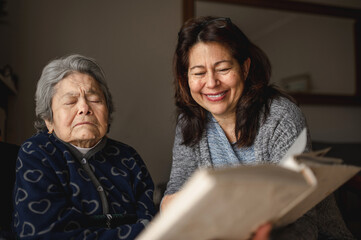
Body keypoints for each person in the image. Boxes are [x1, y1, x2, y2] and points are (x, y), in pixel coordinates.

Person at [161, 16, 355, 239]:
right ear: (185, 78)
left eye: (223, 68)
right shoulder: (189, 122)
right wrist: (173, 202)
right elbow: (176, 189)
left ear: (244, 68)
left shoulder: (280, 116)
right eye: (198, 73)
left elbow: (303, 218)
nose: (212, 83)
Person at [12, 54, 156, 239]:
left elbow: (155, 229)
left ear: (108, 111)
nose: (84, 108)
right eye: (70, 102)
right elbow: (44, 234)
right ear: (49, 119)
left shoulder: (128, 157)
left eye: (95, 100)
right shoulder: (37, 153)